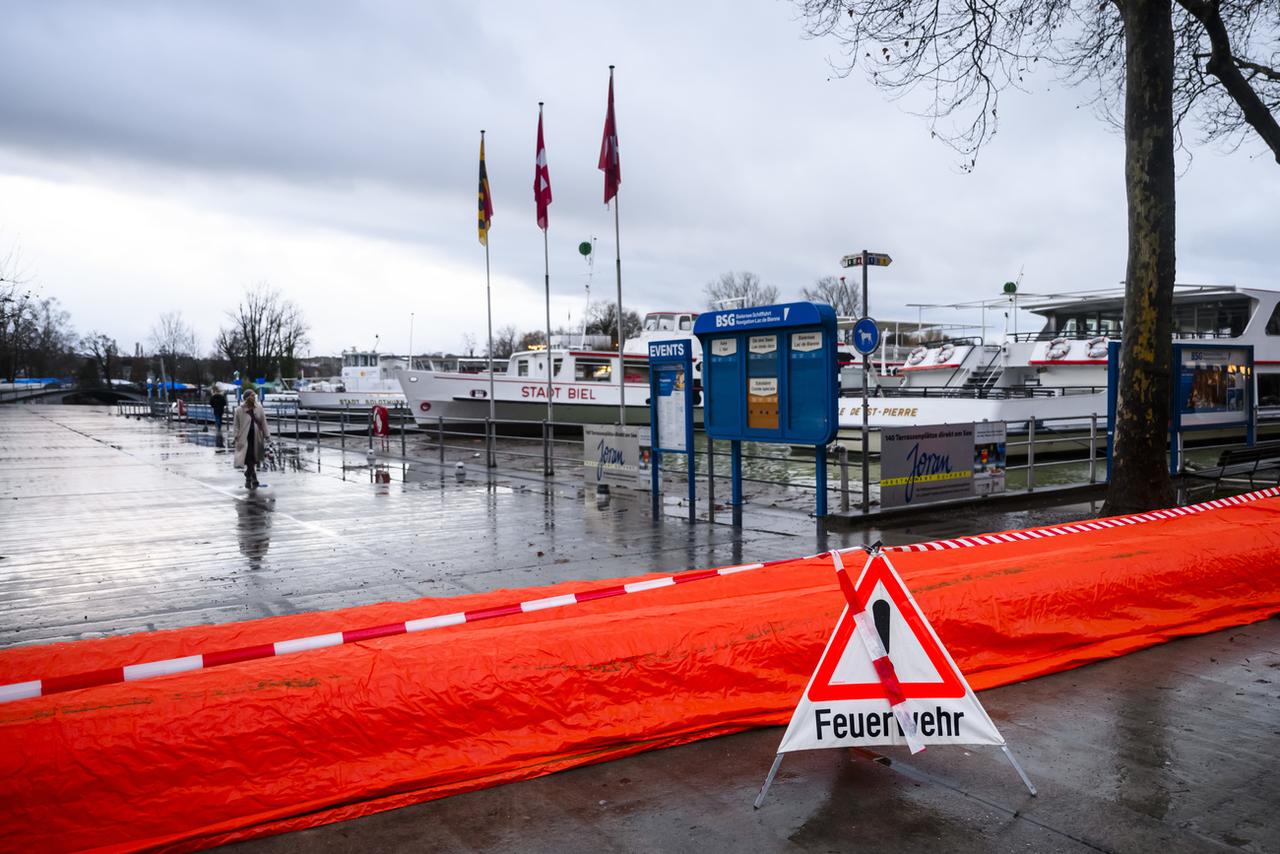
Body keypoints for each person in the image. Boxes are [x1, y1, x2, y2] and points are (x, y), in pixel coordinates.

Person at [233, 388, 270, 489]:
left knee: (255, 457)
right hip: (244, 437)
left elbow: (263, 422)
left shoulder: (259, 408)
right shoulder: (239, 410)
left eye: (254, 395)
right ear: (246, 398)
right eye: (252, 395)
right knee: (249, 457)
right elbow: (236, 425)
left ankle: (248, 474)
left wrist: (267, 435)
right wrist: (236, 435)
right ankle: (251, 477)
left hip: (257, 436)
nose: (254, 397)